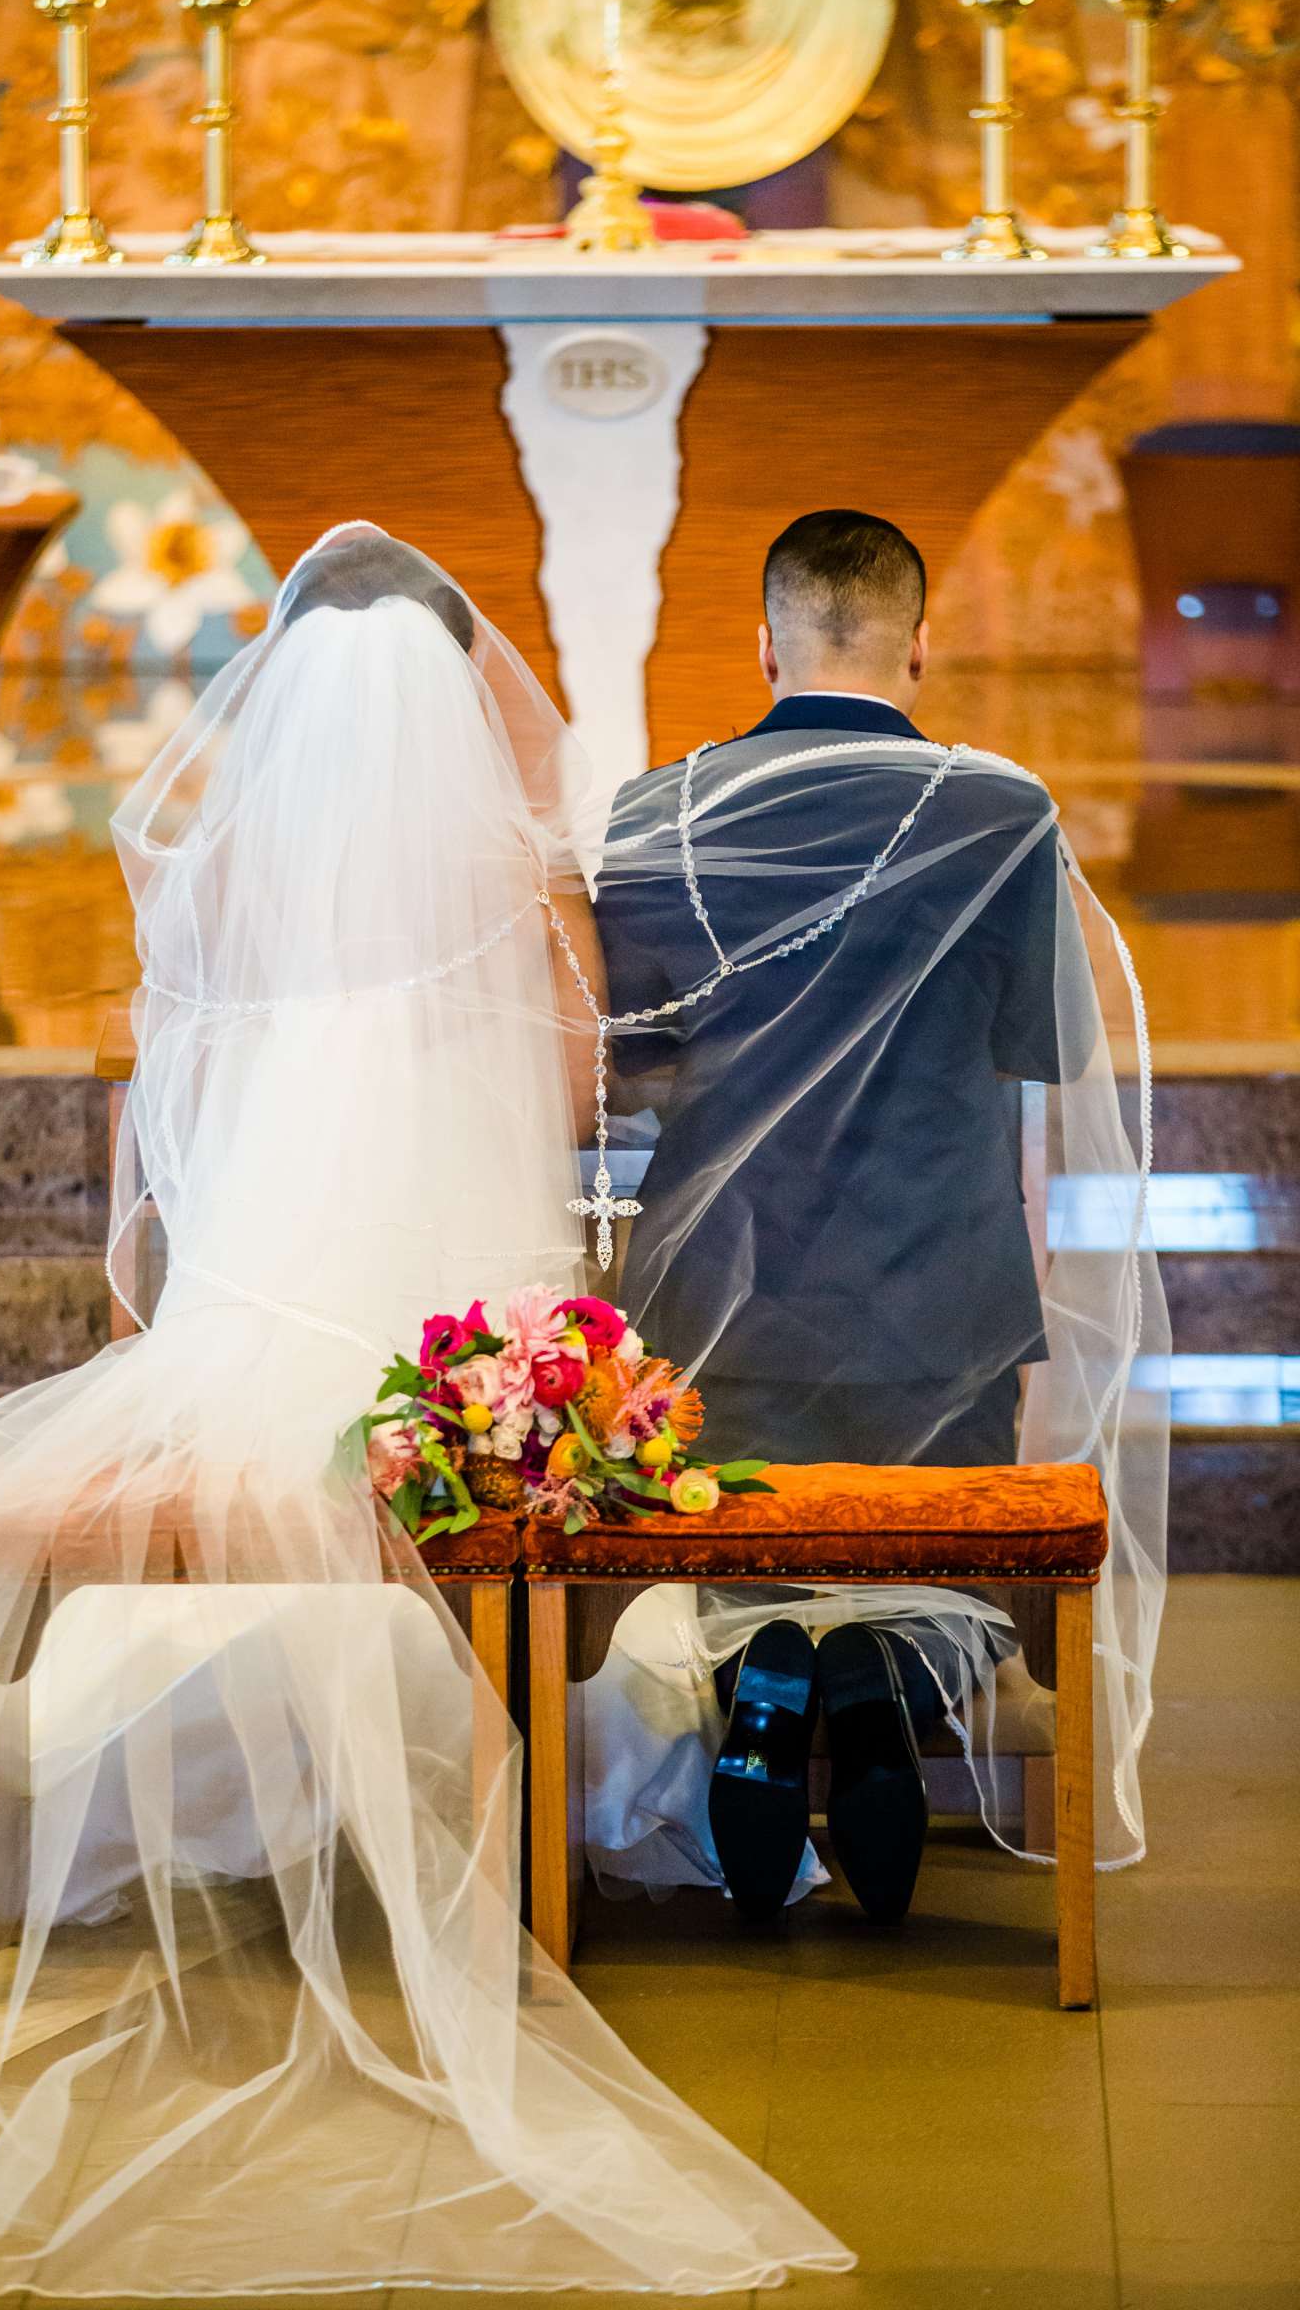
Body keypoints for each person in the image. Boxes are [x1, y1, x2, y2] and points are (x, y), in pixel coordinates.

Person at [0, 526, 850, 2299]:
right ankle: (556, 1802)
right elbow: (567, 1099)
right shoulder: (515, 887)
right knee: (573, 1444)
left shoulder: (220, 877)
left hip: (245, 1338)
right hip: (447, 1363)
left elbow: (158, 1119)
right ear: (455, 706)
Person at [586, 508, 1169, 1924]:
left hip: (715, 1297)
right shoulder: (1001, 811)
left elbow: (631, 1057)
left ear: (765, 643)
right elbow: (1046, 1050)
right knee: (944, 1560)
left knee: (719, 1559)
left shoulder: (654, 810)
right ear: (920, 641)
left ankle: (769, 1675)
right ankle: (880, 1689)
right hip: (935, 1300)